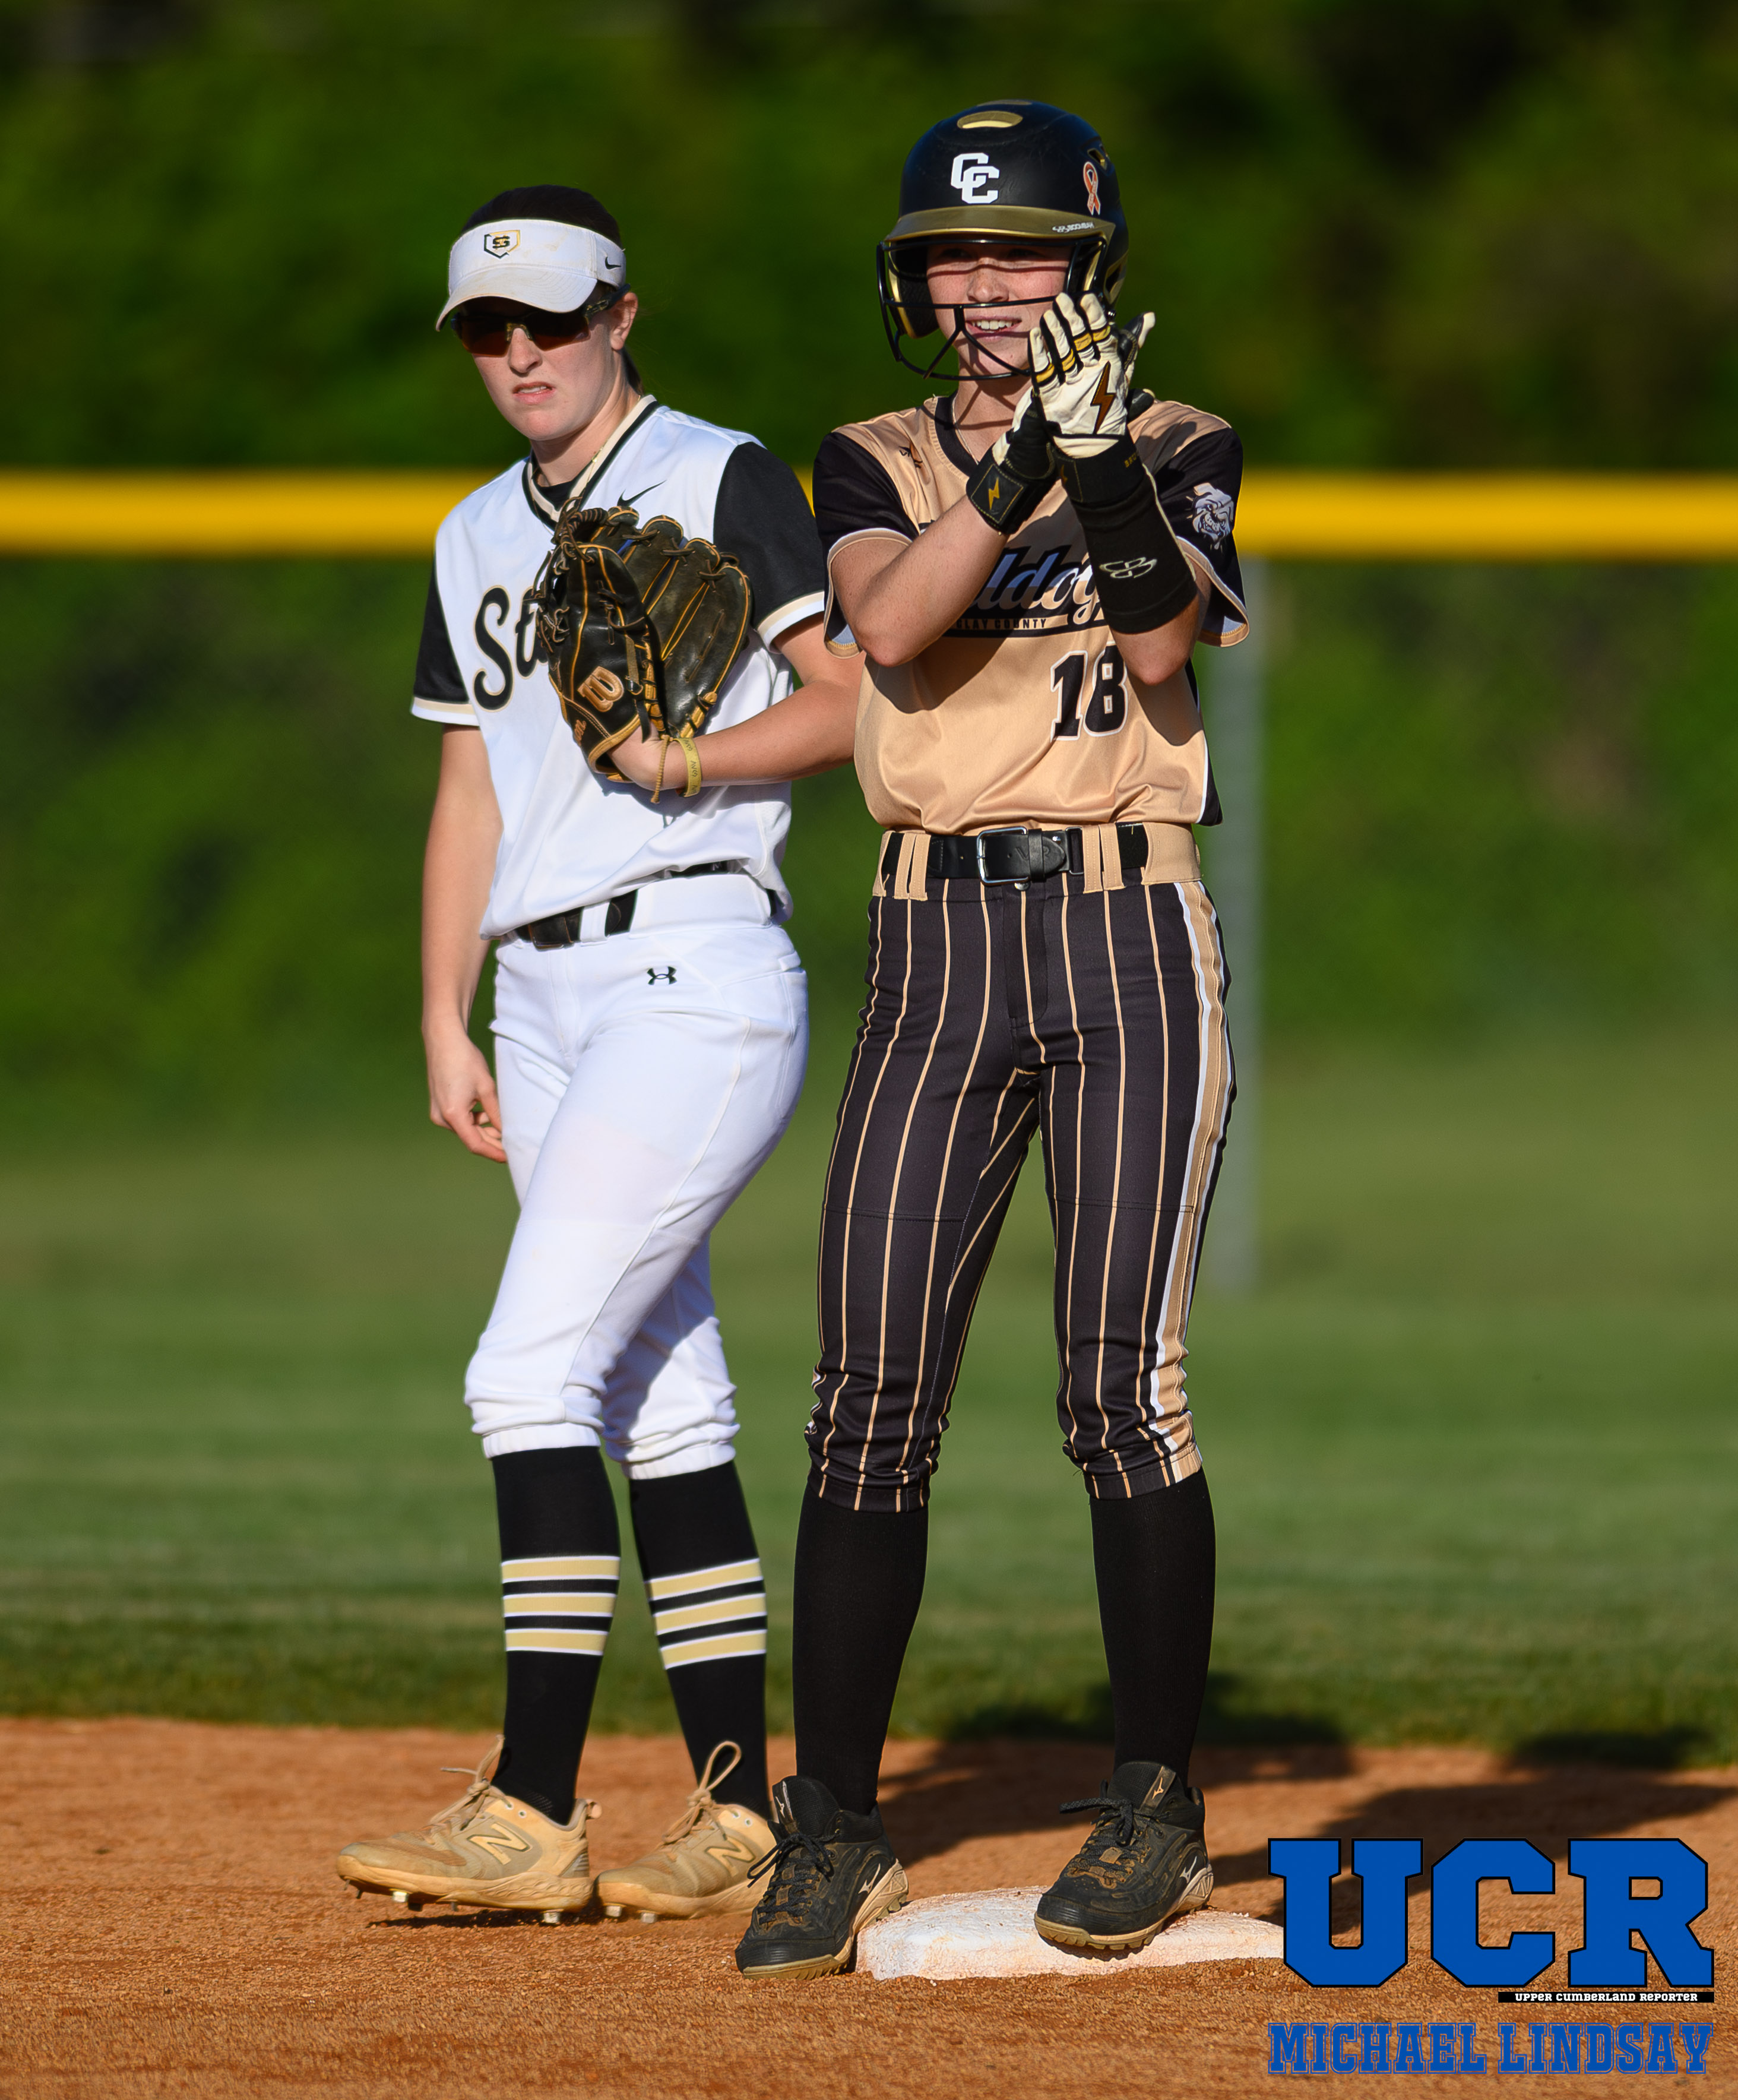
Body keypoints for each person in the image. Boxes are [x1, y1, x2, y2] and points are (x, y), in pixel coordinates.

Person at [729, 102, 1251, 1981]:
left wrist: (1097, 458)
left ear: (1089, 267)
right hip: (936, 942)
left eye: (1024, 249)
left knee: (1123, 1387)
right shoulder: (872, 456)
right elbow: (889, 627)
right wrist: (1024, 456)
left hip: (1129, 933)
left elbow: (1164, 641)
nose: (986, 284)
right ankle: (837, 1829)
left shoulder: (1182, 439)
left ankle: (1156, 1806)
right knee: (869, 1394)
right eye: (955, 254)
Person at [335, 185, 857, 1925]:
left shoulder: (721, 476)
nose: (521, 352)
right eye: (489, 329)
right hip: (542, 1000)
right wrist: (445, 1008)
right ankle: (742, 1819)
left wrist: (687, 764)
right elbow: (470, 784)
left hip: (692, 969)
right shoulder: (473, 531)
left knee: (526, 1374)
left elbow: (850, 703)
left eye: (552, 318)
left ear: (621, 315)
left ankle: (531, 1805)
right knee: (658, 1398)